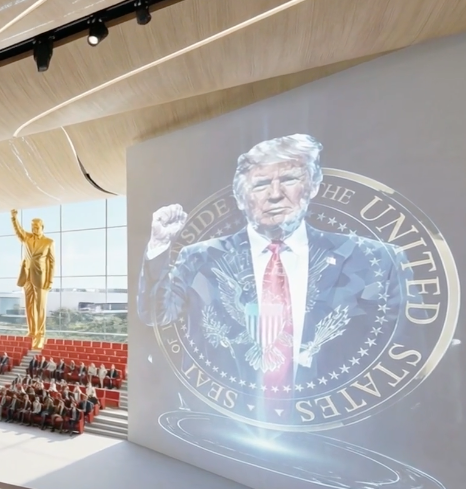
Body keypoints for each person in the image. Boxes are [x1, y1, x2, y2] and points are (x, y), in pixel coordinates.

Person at [138, 134, 410, 398]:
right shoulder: (199, 258)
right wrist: (160, 245)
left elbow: (401, 353)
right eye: (261, 184)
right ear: (240, 198)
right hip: (222, 415)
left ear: (313, 185)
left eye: (289, 179)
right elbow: (155, 315)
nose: (276, 194)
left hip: (333, 418)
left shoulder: (376, 260)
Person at [10, 209, 56, 350]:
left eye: (36, 227)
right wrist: (14, 218)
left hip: (41, 278)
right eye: (32, 227)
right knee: (29, 306)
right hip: (27, 277)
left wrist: (50, 281)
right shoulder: (27, 238)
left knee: (40, 307)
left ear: (42, 227)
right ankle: (31, 332)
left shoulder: (49, 242)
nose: (34, 229)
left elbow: (52, 262)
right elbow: (18, 231)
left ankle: (40, 335)